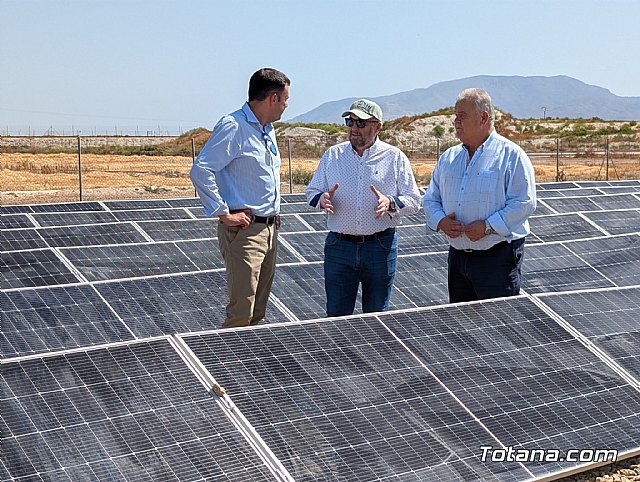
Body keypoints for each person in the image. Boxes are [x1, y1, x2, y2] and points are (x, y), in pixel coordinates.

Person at [190, 68, 290, 328]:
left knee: (258, 311)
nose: (286, 106)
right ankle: (228, 355)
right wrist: (223, 213)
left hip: (268, 229)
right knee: (241, 313)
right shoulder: (234, 126)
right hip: (246, 231)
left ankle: (250, 354)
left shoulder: (267, 130)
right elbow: (201, 170)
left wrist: (273, 211)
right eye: (285, 99)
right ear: (273, 99)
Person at [305, 99, 421, 316]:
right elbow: (311, 191)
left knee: (376, 316)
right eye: (350, 122)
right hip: (340, 247)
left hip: (379, 247)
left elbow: (414, 200)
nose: (353, 128)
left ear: (378, 127)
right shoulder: (332, 156)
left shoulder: (394, 157)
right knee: (337, 316)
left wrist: (391, 203)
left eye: (361, 123)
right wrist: (321, 199)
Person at [423, 88, 536, 303]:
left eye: (462, 116)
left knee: (498, 321)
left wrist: (488, 226)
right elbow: (430, 198)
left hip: (497, 259)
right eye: (455, 116)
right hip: (458, 259)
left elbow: (524, 202)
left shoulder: (511, 156)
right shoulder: (448, 158)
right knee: (463, 322)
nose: (456, 122)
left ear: (483, 117)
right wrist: (441, 221)